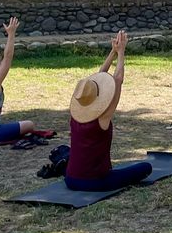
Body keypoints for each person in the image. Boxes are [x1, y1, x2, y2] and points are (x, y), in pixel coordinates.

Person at [65, 30, 152, 191]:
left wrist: (113, 51)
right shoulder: (102, 118)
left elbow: (99, 78)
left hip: (70, 179)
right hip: (95, 182)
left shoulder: (75, 116)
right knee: (145, 167)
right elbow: (117, 80)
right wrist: (121, 52)